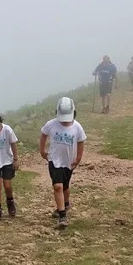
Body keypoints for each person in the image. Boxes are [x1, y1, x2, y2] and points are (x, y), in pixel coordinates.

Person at [39, 97, 86, 229]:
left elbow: (81, 142)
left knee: (65, 186)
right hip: (54, 160)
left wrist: (78, 158)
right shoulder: (51, 124)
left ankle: (65, 204)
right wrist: (42, 150)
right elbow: (43, 135)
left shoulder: (77, 127)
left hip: (69, 161)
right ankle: (62, 216)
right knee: (58, 186)